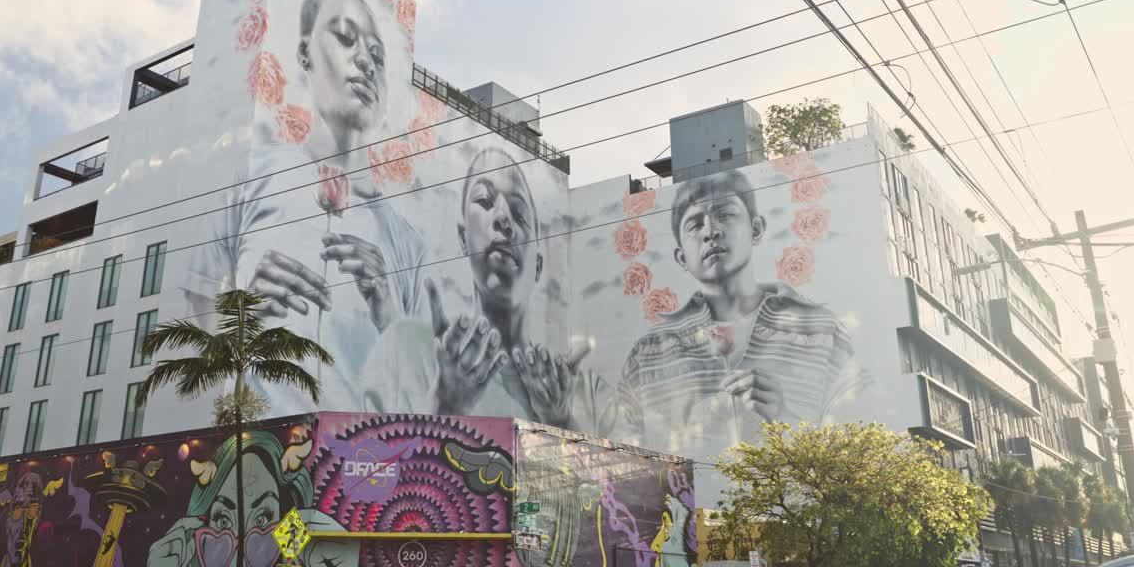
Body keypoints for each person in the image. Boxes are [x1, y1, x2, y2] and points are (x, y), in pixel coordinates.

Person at [186, 0, 424, 414]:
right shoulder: (251, 178)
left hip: (360, 459)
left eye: (378, 54)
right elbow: (199, 301)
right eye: (346, 37)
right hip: (251, 450)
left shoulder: (404, 240)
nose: (365, 61)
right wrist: (243, 322)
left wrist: (387, 310)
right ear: (303, 53)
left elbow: (418, 391)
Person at [362, 148, 613, 434]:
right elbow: (372, 468)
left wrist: (559, 421)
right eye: (484, 200)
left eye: (519, 214)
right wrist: (444, 404)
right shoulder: (406, 349)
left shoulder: (582, 392)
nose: (503, 218)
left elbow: (612, 476)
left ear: (538, 266)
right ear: (462, 238)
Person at [616, 170, 868, 453]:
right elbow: (624, 452)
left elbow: (862, 430)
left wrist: (785, 420)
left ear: (756, 229)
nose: (711, 232)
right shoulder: (649, 353)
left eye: (725, 215)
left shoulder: (822, 329)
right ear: (681, 257)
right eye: (695, 225)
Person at [146, 431, 355, 567]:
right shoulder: (192, 551)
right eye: (223, 520)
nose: (241, 543)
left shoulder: (292, 545)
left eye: (263, 518)